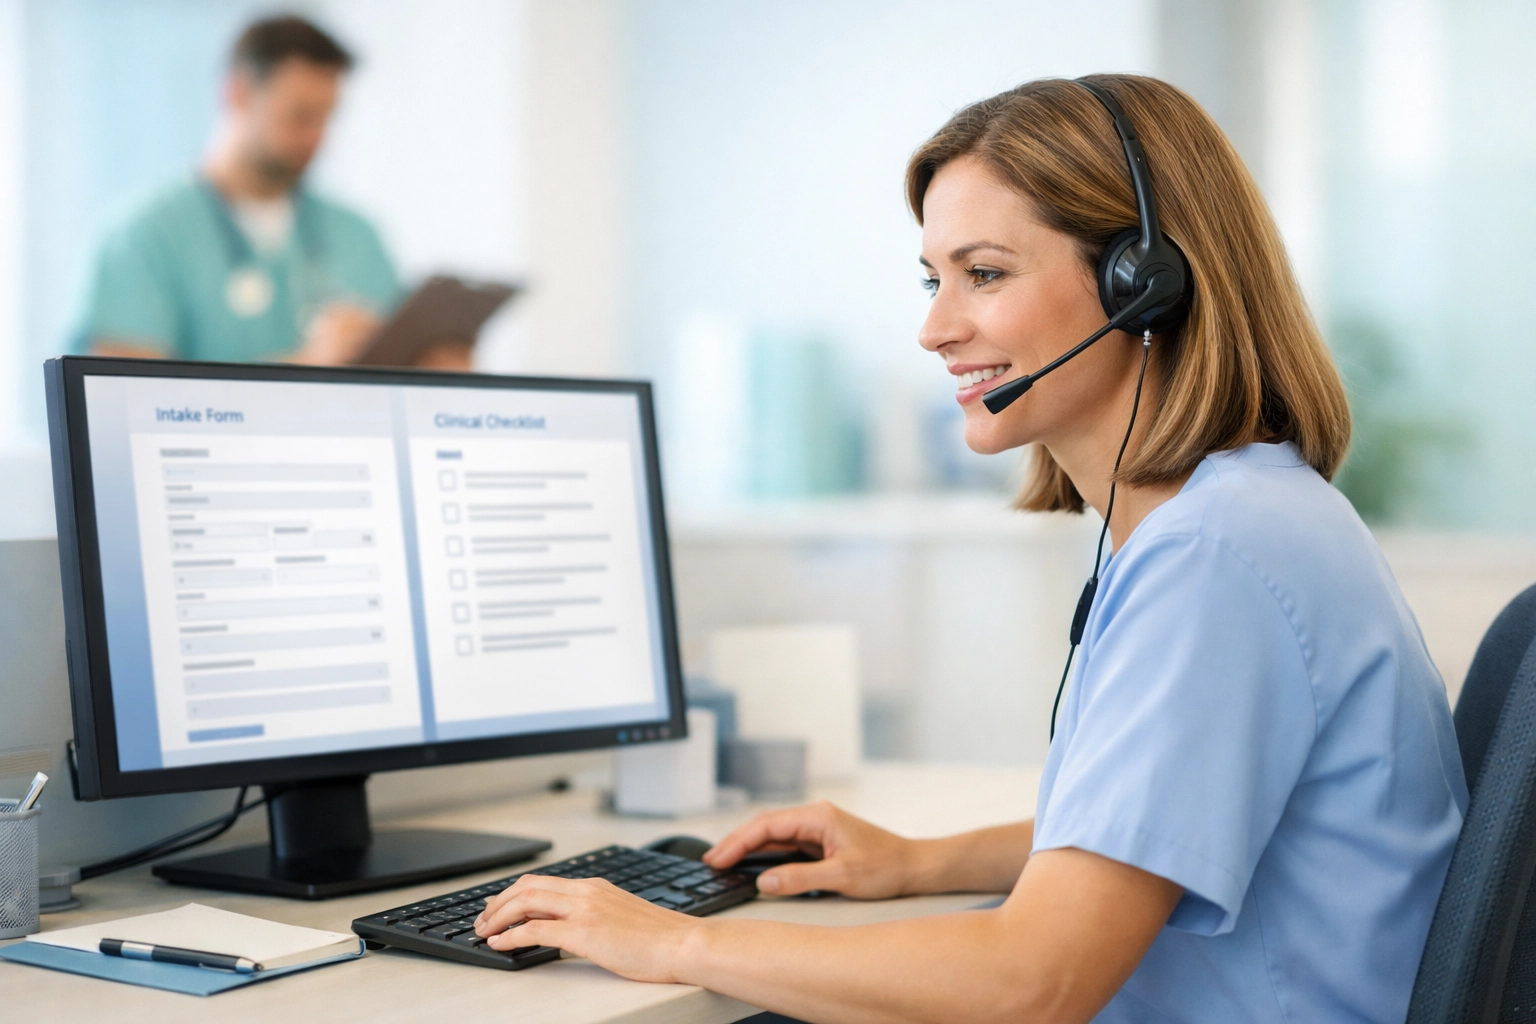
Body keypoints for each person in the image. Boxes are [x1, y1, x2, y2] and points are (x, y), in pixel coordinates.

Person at [470, 75, 1468, 1023]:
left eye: (983, 275)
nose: (935, 328)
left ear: (1145, 286)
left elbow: (1036, 981)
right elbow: (1157, 832)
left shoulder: (1217, 559)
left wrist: (672, 941)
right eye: (933, 278)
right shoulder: (1240, 515)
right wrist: (919, 862)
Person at [78, 15, 465, 369]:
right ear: (238, 94)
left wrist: (432, 370)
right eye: (300, 116)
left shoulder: (357, 235)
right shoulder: (144, 237)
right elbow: (124, 405)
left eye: (327, 118)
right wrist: (307, 365)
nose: (317, 138)